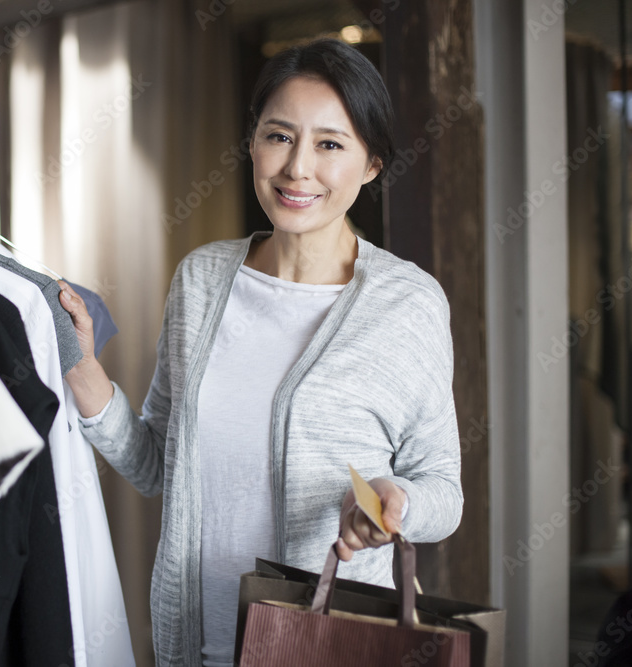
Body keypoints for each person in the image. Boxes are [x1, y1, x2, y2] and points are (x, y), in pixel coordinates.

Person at [57, 37, 463, 667]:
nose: (298, 167)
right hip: (198, 643)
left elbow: (443, 488)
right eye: (279, 136)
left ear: (373, 164)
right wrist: (85, 376)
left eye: (330, 144)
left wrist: (395, 502)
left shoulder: (408, 303)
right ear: (252, 144)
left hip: (332, 645)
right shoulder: (201, 279)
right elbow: (160, 465)